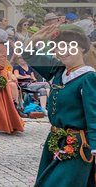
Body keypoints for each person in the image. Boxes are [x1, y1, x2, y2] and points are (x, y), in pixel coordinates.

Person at [17, 24, 96, 187]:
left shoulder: (88, 77)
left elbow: (93, 116)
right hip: (54, 141)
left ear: (81, 48)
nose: (63, 51)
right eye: (58, 46)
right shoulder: (58, 71)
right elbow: (29, 55)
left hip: (78, 145)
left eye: (68, 45)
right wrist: (33, 41)